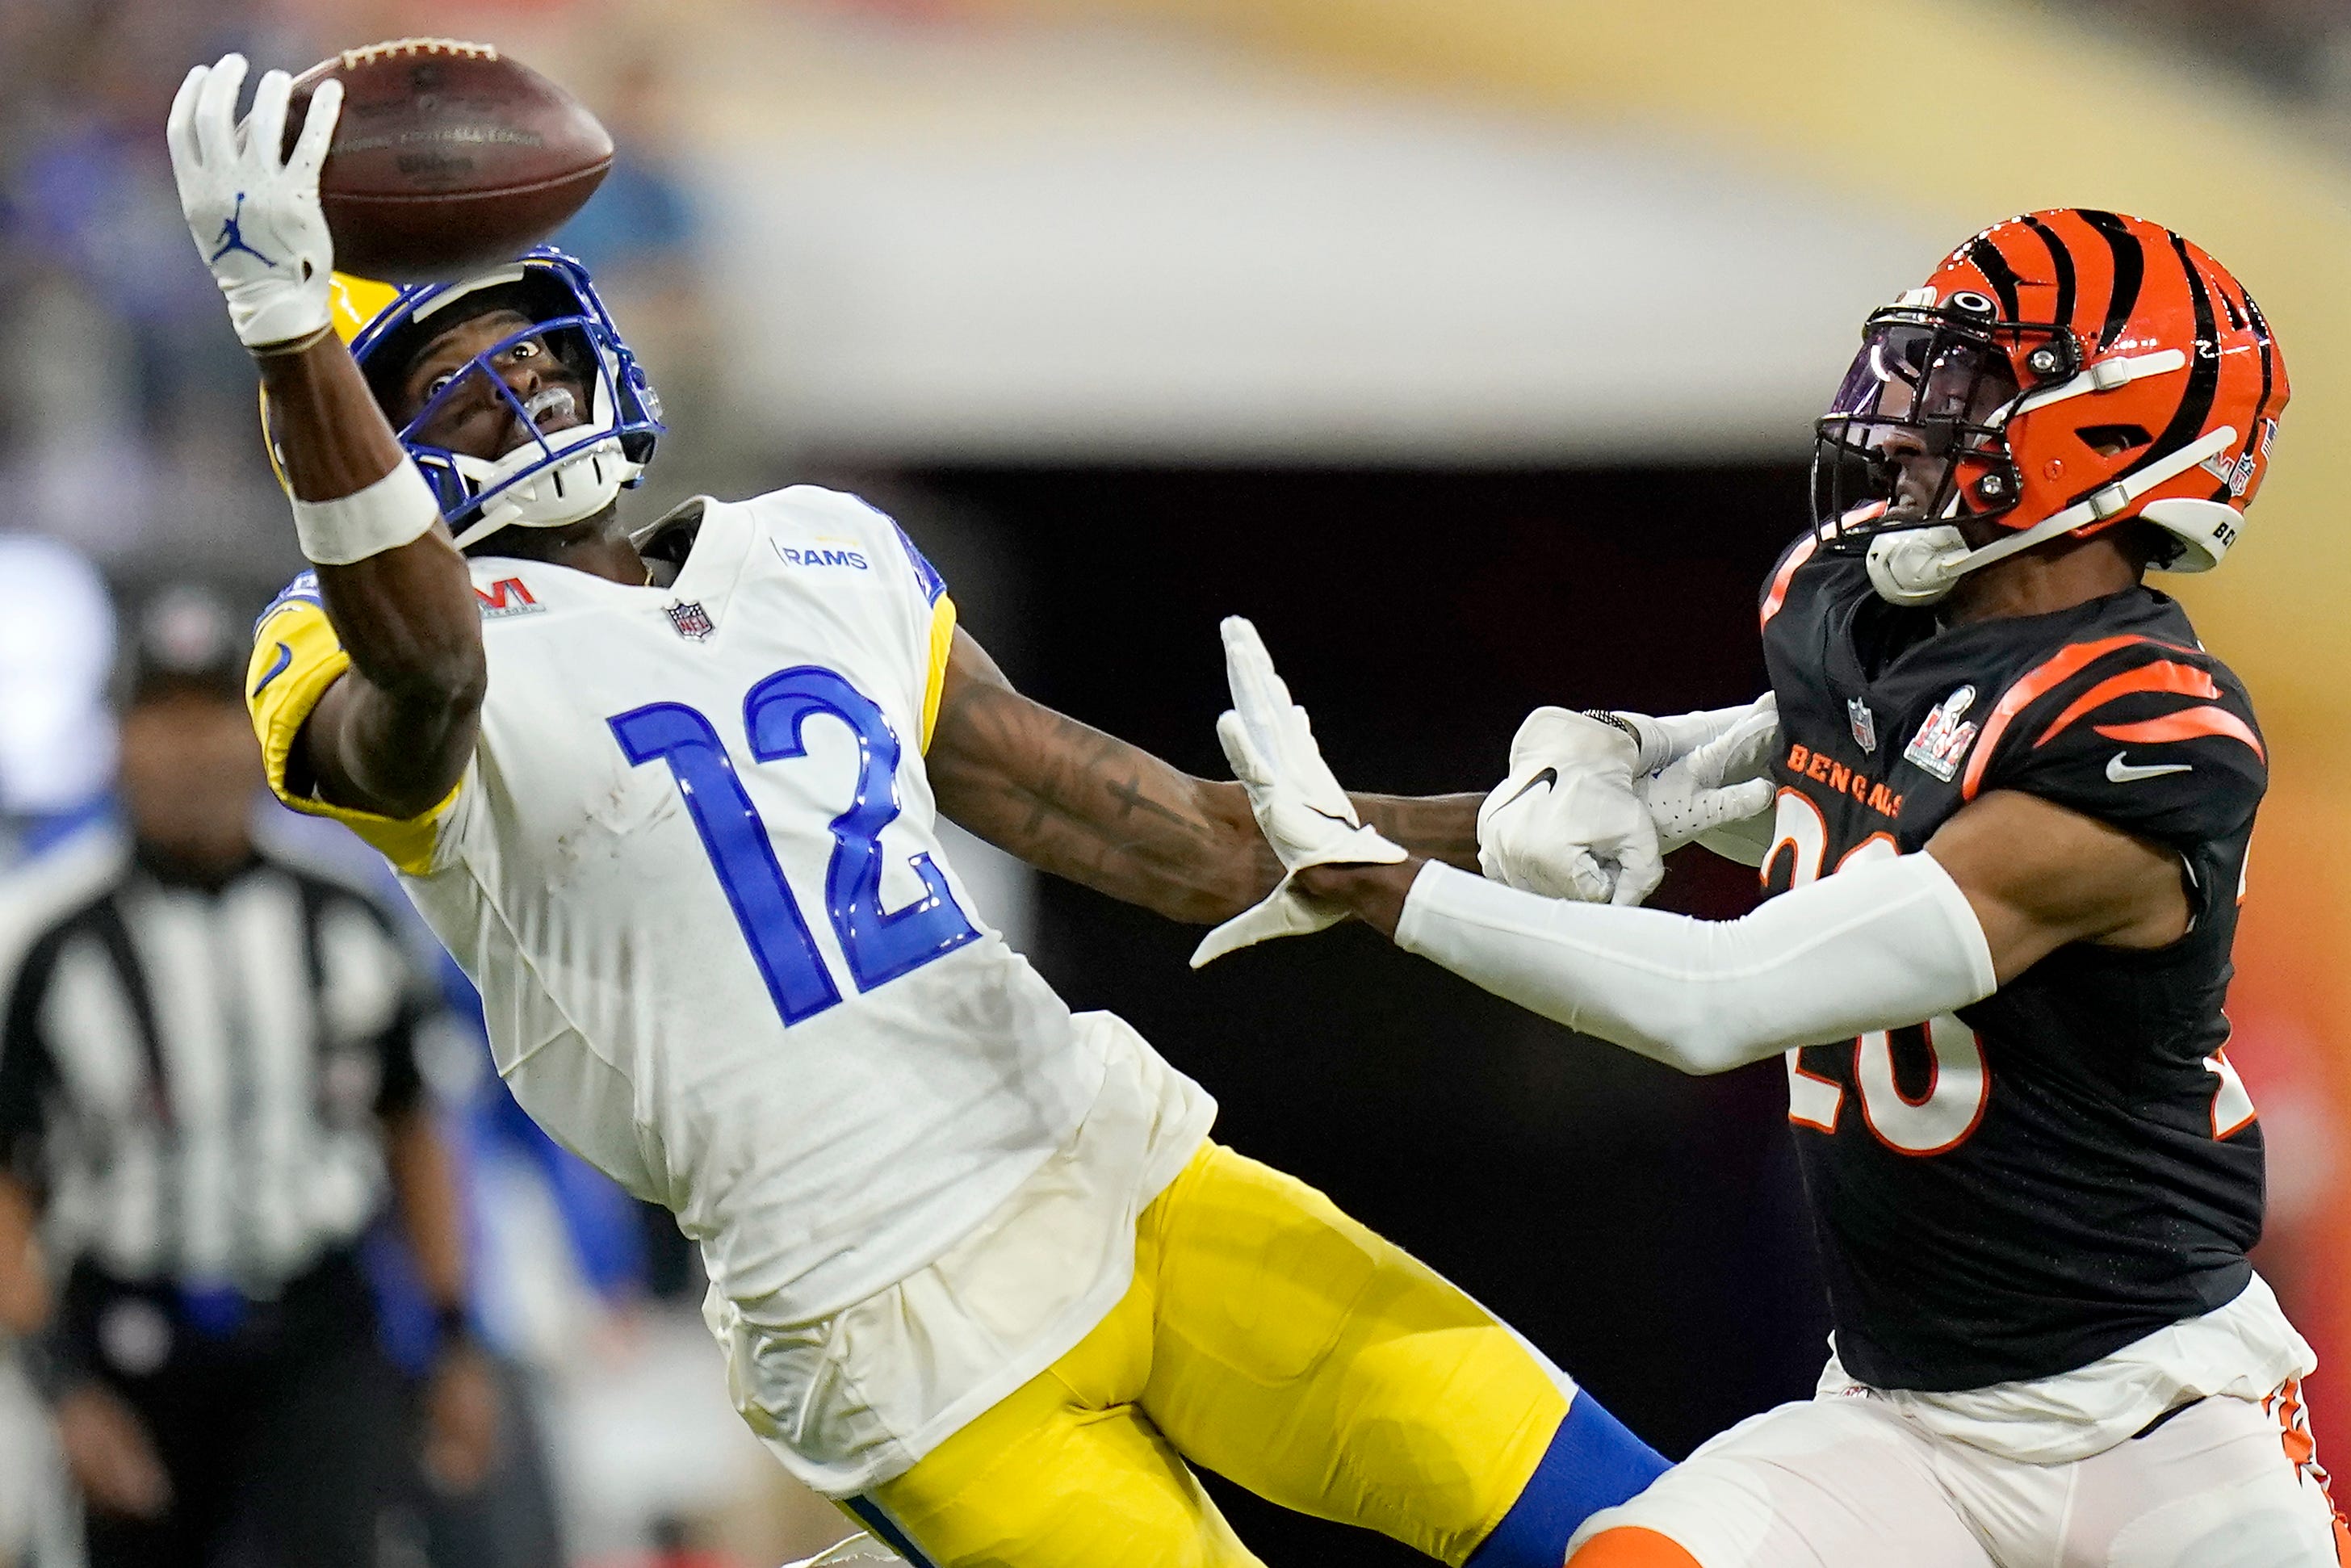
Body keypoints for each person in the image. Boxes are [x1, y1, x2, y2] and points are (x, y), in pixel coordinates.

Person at [161, 52, 1687, 1568]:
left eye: (535, 344)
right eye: (449, 379)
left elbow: (1169, 834)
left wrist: (1492, 830)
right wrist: (291, 331)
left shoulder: (816, 549)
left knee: (1637, 1532)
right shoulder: (345, 645)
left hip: (1122, 1165)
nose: (525, 384)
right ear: (367, 449)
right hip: (888, 1323)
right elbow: (423, 672)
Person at [1194, 209, 2351, 1567]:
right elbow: (1793, 781)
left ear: (2106, 436)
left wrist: (1378, 882)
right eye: (1923, 369)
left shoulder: (2147, 737)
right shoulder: (1864, 609)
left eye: (1973, 384)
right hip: (1902, 1414)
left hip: (2153, 1424)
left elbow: (1723, 997)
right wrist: (1613, 755)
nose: (1908, 418)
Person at [0, 585, 498, 1568]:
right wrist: (57, 1387)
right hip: (126, 1335)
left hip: (319, 1324)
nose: (190, 749)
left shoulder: (348, 910)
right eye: (162, 717)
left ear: (256, 730)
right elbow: (7, 1179)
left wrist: (453, 1337)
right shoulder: (44, 934)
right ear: (119, 742)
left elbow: (413, 1134)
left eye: (212, 715)